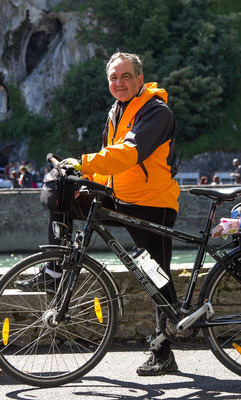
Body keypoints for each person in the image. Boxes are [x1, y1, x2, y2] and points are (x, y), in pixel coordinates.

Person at [15, 52, 180, 376]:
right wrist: (86, 183)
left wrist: (85, 161)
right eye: (113, 78)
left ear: (139, 78)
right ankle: (55, 273)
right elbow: (111, 166)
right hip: (121, 197)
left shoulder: (156, 111)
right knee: (63, 195)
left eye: (125, 76)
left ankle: (163, 350)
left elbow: (129, 153)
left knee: (154, 274)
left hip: (153, 203)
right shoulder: (116, 111)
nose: (119, 83)